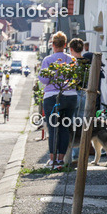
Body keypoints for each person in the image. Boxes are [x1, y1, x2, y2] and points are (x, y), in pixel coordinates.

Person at [39, 31, 78, 168]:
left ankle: (52, 160)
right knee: (65, 127)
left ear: (53, 44)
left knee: (53, 128)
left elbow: (44, 80)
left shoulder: (48, 60)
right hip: (70, 96)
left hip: (52, 96)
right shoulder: (72, 60)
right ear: (65, 44)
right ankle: (61, 159)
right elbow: (77, 78)